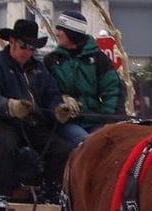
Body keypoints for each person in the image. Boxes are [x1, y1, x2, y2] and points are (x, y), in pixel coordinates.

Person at [0, 18, 78, 209]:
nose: (28, 52)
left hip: (31, 124)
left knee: (61, 150)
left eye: (32, 48)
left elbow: (51, 95)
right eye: (24, 46)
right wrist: (10, 106)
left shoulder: (39, 69)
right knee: (4, 144)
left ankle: (52, 192)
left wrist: (58, 109)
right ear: (11, 41)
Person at [43, 11, 122, 145]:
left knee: (108, 145)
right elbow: (45, 92)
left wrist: (110, 120)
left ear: (72, 33)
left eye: (60, 29)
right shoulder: (52, 60)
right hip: (66, 123)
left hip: (94, 120)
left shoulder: (98, 59)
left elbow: (112, 90)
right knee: (87, 144)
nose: (56, 33)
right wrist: (61, 101)